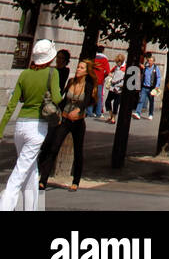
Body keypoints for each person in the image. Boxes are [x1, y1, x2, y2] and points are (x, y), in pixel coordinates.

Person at [0, 39, 61, 212]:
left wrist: (1, 128)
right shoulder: (52, 73)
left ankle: (32, 208)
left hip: (21, 124)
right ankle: (5, 206)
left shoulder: (25, 74)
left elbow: (12, 105)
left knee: (31, 171)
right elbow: (57, 98)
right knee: (20, 173)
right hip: (37, 127)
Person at [39, 58, 97, 191]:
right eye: (78, 67)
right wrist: (57, 113)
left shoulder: (88, 85)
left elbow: (86, 101)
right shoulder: (71, 81)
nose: (78, 69)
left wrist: (79, 110)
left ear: (87, 72)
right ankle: (43, 180)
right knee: (54, 148)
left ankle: (75, 181)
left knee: (78, 151)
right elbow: (63, 99)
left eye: (82, 68)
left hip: (78, 122)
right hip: (64, 119)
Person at [133, 52, 161, 119]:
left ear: (153, 62)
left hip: (151, 88)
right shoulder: (146, 67)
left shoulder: (156, 68)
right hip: (144, 87)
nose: (149, 62)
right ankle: (137, 113)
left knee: (151, 101)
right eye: (149, 60)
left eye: (151, 61)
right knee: (141, 100)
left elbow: (158, 77)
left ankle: (151, 114)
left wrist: (157, 86)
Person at [89, 47, 111, 119]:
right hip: (100, 80)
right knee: (99, 96)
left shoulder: (93, 58)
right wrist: (103, 76)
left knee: (91, 95)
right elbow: (107, 71)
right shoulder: (104, 59)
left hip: (92, 79)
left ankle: (89, 111)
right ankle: (98, 112)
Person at [104, 55, 126, 124]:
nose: (117, 64)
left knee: (116, 104)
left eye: (118, 62)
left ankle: (113, 118)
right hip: (113, 87)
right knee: (107, 101)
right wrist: (111, 77)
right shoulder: (116, 67)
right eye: (116, 62)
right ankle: (111, 115)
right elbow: (110, 72)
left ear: (121, 61)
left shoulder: (125, 68)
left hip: (119, 88)